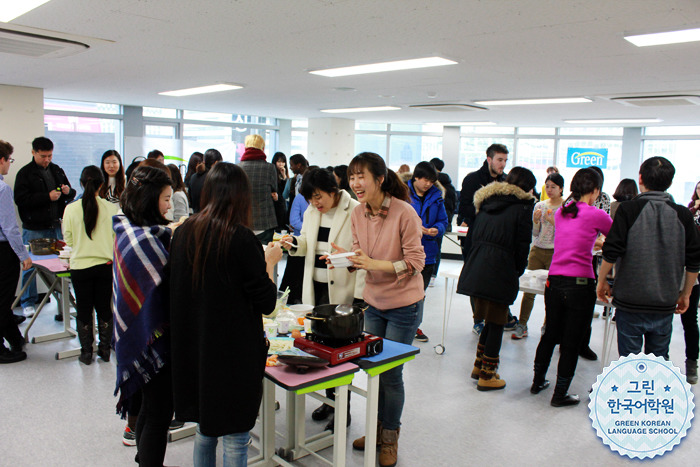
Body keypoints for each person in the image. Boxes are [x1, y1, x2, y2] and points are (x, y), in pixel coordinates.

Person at [169, 162, 282, 467]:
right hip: (233, 354)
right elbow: (267, 302)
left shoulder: (183, 232)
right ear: (241, 197)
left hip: (195, 349)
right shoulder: (242, 238)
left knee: (206, 429)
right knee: (234, 435)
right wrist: (269, 261)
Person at [341, 152, 424, 467]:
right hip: (373, 302)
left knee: (390, 373)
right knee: (373, 370)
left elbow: (416, 263)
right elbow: (362, 252)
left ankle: (390, 436)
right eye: (352, 177)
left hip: (404, 306)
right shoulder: (358, 213)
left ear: (379, 179)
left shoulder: (404, 213)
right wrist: (348, 259)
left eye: (361, 176)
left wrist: (373, 263)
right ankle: (376, 430)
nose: (356, 183)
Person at [280, 167, 366, 431]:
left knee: (341, 354)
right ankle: (329, 403)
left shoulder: (354, 210)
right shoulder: (311, 211)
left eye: (318, 197)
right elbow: (306, 242)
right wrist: (293, 243)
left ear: (333, 190)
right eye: (310, 198)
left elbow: (362, 254)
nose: (315, 203)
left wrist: (360, 297)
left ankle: (344, 410)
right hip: (316, 290)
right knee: (319, 349)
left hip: (341, 291)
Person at [597, 157, 700, 361]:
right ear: (670, 182)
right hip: (665, 302)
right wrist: (686, 294)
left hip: (630, 301)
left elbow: (611, 250)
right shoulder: (683, 215)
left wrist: (601, 282)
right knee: (658, 363)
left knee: (629, 363)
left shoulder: (628, 210)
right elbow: (694, 260)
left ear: (641, 178)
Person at [533, 168, 612, 407]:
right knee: (571, 341)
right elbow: (617, 239)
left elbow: (575, 235)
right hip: (580, 284)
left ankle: (537, 382)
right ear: (596, 191)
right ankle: (560, 394)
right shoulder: (597, 214)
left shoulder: (561, 213)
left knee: (550, 335)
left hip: (554, 281)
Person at [113, 165, 174, 466]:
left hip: (144, 338)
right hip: (154, 340)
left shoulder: (128, 228)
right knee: (159, 414)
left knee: (150, 409)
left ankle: (143, 458)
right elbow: (166, 290)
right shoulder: (147, 242)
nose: (169, 205)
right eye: (165, 199)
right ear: (151, 200)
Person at [456, 167, 536, 391]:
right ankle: (487, 375)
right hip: (501, 268)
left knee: (491, 319)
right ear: (527, 188)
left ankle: (479, 365)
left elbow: (471, 237)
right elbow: (522, 246)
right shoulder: (522, 208)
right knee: (498, 321)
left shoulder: (487, 203)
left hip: (478, 266)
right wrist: (517, 270)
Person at [14, 136, 76, 318]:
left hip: (56, 225)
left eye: (49, 155)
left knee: (60, 265)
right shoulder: (25, 174)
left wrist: (67, 192)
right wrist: (46, 197)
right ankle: (27, 301)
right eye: (43, 156)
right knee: (31, 265)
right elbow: (21, 200)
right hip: (35, 227)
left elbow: (70, 193)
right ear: (33, 152)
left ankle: (62, 303)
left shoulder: (57, 170)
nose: (47, 159)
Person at [62, 166, 118, 365]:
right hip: (104, 266)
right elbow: (116, 238)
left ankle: (86, 353)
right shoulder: (112, 208)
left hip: (80, 268)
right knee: (104, 308)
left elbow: (68, 239)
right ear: (102, 185)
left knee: (84, 310)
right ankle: (105, 350)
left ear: (81, 183)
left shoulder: (70, 209)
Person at [457, 144, 513, 335]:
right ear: (489, 159)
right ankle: (478, 319)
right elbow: (464, 208)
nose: (503, 164)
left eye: (505, 160)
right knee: (477, 279)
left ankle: (499, 315)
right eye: (499, 160)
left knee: (497, 277)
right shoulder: (473, 179)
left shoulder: (507, 182)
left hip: (500, 239)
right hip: (477, 237)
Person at [512, 172, 565, 340]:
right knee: (529, 290)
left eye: (553, 187)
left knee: (551, 292)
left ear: (561, 188)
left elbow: (566, 233)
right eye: (547, 186)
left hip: (555, 252)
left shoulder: (566, 207)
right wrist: (535, 221)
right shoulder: (539, 205)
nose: (549, 190)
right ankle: (522, 324)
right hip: (537, 250)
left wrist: (552, 221)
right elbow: (535, 233)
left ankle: (548, 326)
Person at [408, 161, 449, 342]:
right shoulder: (402, 194)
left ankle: (415, 326)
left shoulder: (436, 196)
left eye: (431, 181)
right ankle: (402, 325)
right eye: (425, 180)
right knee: (403, 291)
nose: (428, 184)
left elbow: (443, 220)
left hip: (428, 251)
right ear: (416, 177)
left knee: (420, 293)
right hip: (406, 251)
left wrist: (437, 229)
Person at [0, 140, 31, 364]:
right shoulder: (2, 189)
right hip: (3, 252)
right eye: (9, 160)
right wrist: (23, 255)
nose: (9, 165)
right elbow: (9, 227)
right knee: (3, 302)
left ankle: (15, 338)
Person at [238, 135, 278, 244]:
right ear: (262, 148)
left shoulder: (238, 168)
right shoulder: (270, 168)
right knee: (266, 257)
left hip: (242, 220)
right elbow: (274, 190)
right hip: (265, 220)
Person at [429, 158, 457, 286]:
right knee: (437, 248)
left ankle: (429, 273)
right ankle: (433, 275)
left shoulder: (432, 184)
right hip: (443, 222)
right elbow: (452, 206)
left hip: (430, 221)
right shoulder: (450, 186)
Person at [684, 184, 700, 383]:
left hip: (695, 271)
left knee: (690, 319)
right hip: (684, 267)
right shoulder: (688, 210)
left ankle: (692, 363)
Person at [189, 149, 222, 213]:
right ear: (216, 163)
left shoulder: (193, 177)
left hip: (196, 216)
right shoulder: (214, 178)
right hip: (208, 218)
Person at [271, 151, 289, 231]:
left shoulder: (285, 174)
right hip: (274, 203)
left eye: (283, 162)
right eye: (279, 161)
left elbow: (286, 190)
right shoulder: (271, 173)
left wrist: (284, 175)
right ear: (275, 162)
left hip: (282, 203)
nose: (281, 164)